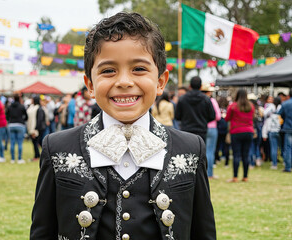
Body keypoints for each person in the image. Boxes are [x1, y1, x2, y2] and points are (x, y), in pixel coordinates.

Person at [30, 12, 216, 240]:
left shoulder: (191, 149)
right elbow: (42, 232)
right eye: (108, 70)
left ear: (160, 82)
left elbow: (203, 231)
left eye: (139, 68)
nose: (124, 81)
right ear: (89, 84)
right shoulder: (56, 147)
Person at [225, 89, 255, 182]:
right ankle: (245, 177)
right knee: (246, 155)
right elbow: (252, 117)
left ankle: (235, 177)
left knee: (236, 155)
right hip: (249, 131)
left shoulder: (233, 106)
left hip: (236, 132)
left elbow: (227, 118)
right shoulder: (251, 106)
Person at [175, 76, 215, 141]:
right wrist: (203, 120)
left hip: (186, 131)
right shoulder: (206, 99)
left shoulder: (182, 99)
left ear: (190, 86)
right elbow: (212, 116)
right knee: (200, 150)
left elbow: (177, 116)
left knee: (186, 150)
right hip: (201, 131)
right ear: (201, 86)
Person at [201, 84, 221, 179]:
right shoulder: (212, 101)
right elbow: (218, 116)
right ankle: (209, 173)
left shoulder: (199, 101)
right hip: (212, 128)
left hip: (201, 127)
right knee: (210, 151)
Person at [6, 94, 28, 164]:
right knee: (20, 143)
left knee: (12, 142)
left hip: (11, 124)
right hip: (20, 124)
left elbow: (6, 115)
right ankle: (19, 158)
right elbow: (26, 116)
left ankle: (12, 159)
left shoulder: (9, 106)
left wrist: (9, 121)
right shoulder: (22, 106)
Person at [262, 97, 281, 169]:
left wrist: (264, 134)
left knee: (274, 147)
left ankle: (274, 164)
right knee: (283, 148)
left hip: (272, 130)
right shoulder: (281, 107)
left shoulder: (270, 109)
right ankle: (286, 162)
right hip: (280, 130)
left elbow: (264, 114)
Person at [27, 96, 46, 161]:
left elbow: (39, 120)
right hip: (33, 128)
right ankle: (41, 155)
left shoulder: (39, 109)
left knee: (36, 142)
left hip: (37, 128)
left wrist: (35, 130)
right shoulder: (32, 108)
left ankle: (37, 156)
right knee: (38, 142)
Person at [278, 89, 292, 173]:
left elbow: (279, 114)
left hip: (288, 127)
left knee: (288, 147)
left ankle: (288, 167)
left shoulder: (285, 103)